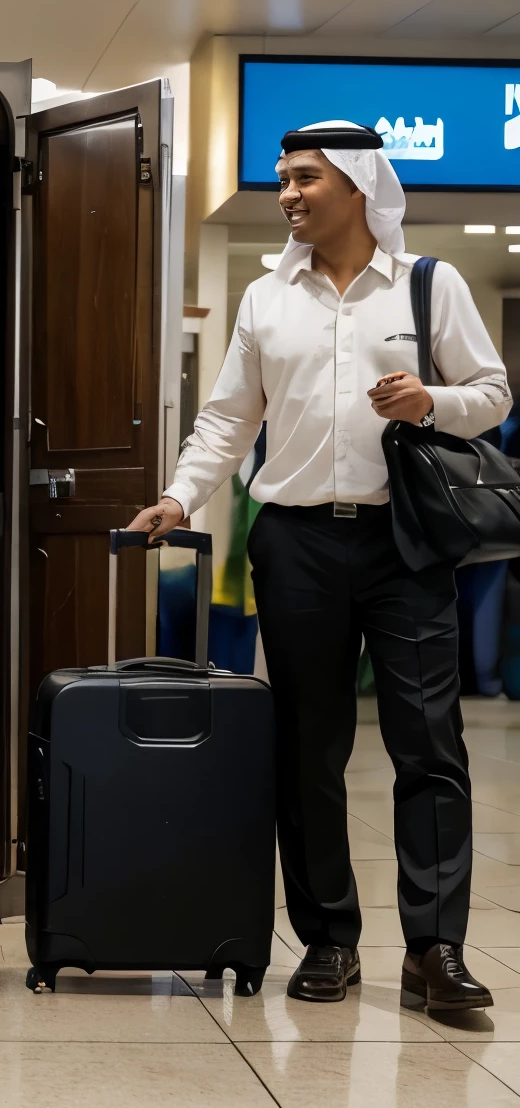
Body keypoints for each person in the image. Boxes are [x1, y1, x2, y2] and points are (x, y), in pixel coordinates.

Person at [129, 120, 511, 1011]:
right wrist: (183, 497)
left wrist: (431, 400)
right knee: (307, 747)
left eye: (304, 179)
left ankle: (436, 948)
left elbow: (491, 397)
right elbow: (229, 419)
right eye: (283, 181)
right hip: (296, 539)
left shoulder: (428, 286)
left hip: (406, 543)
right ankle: (329, 939)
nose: (289, 195)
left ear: (354, 184)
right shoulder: (268, 298)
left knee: (430, 745)